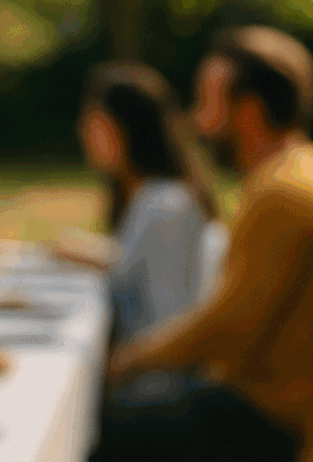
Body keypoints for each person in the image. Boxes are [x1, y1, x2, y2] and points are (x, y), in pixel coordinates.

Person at [86, 26, 313, 462]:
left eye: (207, 103)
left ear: (248, 110)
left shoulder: (280, 193)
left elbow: (229, 326)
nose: (196, 120)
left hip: (265, 421)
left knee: (82, 426)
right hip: (280, 412)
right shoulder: (303, 170)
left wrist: (131, 359)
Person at [73, 62, 220, 342]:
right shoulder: (151, 199)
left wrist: (119, 363)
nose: (82, 133)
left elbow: (168, 319)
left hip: (151, 364)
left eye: (95, 124)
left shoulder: (166, 205)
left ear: (127, 129)